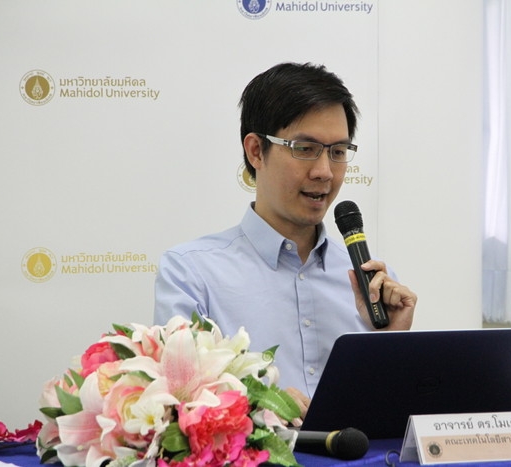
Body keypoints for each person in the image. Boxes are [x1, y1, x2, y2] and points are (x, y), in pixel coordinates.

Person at [154, 62, 417, 417]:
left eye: (338, 152)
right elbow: (178, 404)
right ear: (256, 151)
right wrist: (257, 407)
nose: (324, 171)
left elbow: (391, 417)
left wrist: (391, 342)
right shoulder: (191, 273)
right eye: (305, 148)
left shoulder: (373, 288)